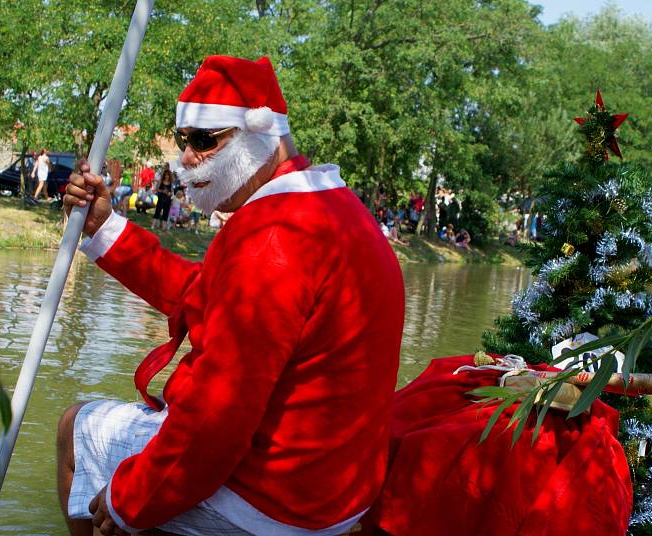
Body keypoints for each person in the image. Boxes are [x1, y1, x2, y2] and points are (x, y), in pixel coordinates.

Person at [58, 55, 405, 536]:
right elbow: (202, 295)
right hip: (332, 489)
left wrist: (130, 500)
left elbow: (217, 418)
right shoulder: (330, 207)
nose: (187, 158)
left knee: (76, 429)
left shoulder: (274, 236)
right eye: (185, 141)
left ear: (263, 135)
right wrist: (105, 229)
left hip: (274, 499)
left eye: (206, 141)